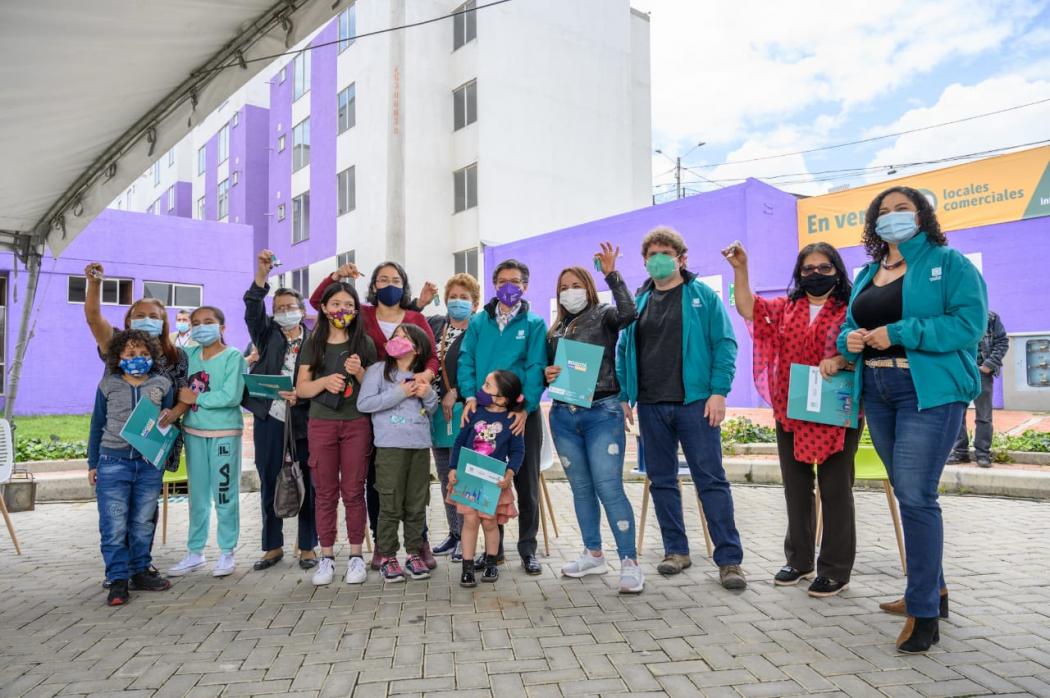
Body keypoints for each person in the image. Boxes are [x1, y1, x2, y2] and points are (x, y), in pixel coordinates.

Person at [838, 185, 986, 654]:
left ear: (923, 215)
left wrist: (899, 332)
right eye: (884, 212)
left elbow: (969, 325)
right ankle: (933, 591)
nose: (893, 217)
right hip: (878, 390)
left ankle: (923, 614)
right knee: (907, 492)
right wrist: (852, 342)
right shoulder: (867, 273)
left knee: (917, 495)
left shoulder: (950, 263)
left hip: (929, 391)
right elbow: (847, 327)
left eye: (903, 209)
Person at [725, 240, 859, 598]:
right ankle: (800, 560)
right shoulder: (786, 308)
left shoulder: (852, 308)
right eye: (808, 268)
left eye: (824, 268)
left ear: (837, 270)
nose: (815, 274)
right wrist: (740, 270)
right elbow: (748, 309)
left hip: (836, 411)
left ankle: (835, 569)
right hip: (792, 408)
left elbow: (865, 345)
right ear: (799, 273)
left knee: (835, 490)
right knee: (796, 488)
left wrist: (843, 361)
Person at [616, 226, 746, 589]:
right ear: (644, 261)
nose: (657, 260)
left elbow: (725, 344)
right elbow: (624, 350)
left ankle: (729, 559)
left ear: (681, 258)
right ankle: (676, 550)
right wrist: (626, 394)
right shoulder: (639, 301)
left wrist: (719, 392)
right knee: (661, 482)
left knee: (711, 480)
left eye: (664, 253)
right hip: (653, 406)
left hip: (696, 405)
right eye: (651, 255)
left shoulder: (701, 296)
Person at [309, 261, 440, 569]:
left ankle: (418, 542)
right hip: (370, 399)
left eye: (395, 279)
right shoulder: (363, 314)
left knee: (414, 488)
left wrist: (425, 379)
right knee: (379, 480)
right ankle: (383, 545)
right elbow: (321, 303)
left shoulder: (415, 317)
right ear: (373, 285)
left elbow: (432, 355)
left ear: (404, 284)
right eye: (382, 279)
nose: (389, 283)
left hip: (410, 406)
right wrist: (337, 277)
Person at [544, 243, 643, 594]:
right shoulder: (554, 329)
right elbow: (545, 371)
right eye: (563, 287)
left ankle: (629, 561)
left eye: (576, 285)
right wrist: (548, 374)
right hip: (564, 415)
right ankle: (593, 553)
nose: (569, 292)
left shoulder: (605, 315)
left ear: (588, 286)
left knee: (609, 487)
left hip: (602, 411)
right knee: (582, 489)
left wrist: (612, 274)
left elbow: (630, 313)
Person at [83, 262, 189, 585]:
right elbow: (92, 317)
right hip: (115, 449)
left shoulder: (176, 356)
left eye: (155, 316)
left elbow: (181, 396)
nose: (148, 320)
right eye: (140, 315)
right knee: (116, 514)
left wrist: (175, 413)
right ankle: (118, 572)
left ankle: (140, 567)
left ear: (164, 323)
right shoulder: (118, 344)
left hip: (153, 448)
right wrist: (95, 283)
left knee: (144, 512)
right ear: (128, 321)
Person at [457, 259, 548, 575]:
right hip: (484, 414)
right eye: (502, 281)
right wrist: (470, 395)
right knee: (486, 481)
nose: (509, 286)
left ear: (525, 285)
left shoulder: (534, 323)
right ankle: (493, 552)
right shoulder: (479, 322)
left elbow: (537, 367)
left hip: (520, 415)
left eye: (516, 281)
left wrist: (526, 407)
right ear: (494, 286)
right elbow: (466, 359)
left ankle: (528, 549)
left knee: (524, 482)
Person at [296, 281, 377, 586]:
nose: (341, 310)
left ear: (356, 311)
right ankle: (326, 557)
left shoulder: (364, 344)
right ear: (324, 308)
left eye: (348, 305)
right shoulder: (313, 342)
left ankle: (356, 556)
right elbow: (302, 387)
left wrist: (359, 373)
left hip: (357, 423)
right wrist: (324, 382)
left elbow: (375, 387)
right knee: (325, 492)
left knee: (354, 492)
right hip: (321, 423)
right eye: (336, 304)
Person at [88, 330, 175, 605]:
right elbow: (96, 425)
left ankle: (140, 571)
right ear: (118, 357)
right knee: (113, 523)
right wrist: (93, 463)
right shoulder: (108, 385)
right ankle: (117, 579)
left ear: (152, 356)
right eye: (130, 355)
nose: (137, 359)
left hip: (148, 465)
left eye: (143, 354)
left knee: (142, 523)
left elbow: (169, 421)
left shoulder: (162, 384)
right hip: (113, 463)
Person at [244, 249, 318, 572]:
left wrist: (300, 397)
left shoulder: (317, 341)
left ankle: (307, 546)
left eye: (291, 307)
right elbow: (251, 309)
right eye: (279, 308)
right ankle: (272, 546)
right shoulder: (266, 335)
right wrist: (262, 276)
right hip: (270, 419)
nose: (285, 312)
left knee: (308, 481)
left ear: (302, 311)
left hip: (304, 420)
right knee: (270, 480)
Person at [168, 306, 248, 578]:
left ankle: (227, 552)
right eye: (196, 323)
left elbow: (231, 395)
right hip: (194, 433)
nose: (202, 327)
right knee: (198, 496)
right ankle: (195, 551)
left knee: (224, 494)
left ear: (222, 327)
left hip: (224, 434)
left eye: (209, 322)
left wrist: (196, 399)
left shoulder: (233, 356)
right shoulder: (188, 355)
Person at [357, 324, 440, 582]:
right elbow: (365, 403)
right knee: (389, 503)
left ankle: (414, 553)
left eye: (404, 337)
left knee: (416, 503)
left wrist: (427, 394)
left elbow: (433, 408)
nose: (398, 340)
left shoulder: (421, 375)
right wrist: (399, 392)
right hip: (390, 447)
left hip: (418, 446)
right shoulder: (377, 371)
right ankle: (388, 556)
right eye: (395, 336)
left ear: (417, 347)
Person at [449, 370, 525, 587]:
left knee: (490, 522)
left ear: (502, 398)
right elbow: (459, 442)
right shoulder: (474, 412)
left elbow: (519, 452)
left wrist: (509, 474)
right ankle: (467, 567)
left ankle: (492, 562)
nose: (481, 389)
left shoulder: (512, 420)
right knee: (470, 521)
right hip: (468, 477)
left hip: (494, 481)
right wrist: (453, 468)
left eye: (487, 386)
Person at [427, 273, 482, 563]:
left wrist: (457, 392)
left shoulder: (479, 329)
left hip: (466, 412)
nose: (457, 301)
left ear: (474, 303)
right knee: (446, 475)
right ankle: (454, 533)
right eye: (453, 296)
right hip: (438, 414)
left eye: (464, 297)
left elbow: (482, 368)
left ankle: (468, 535)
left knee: (465, 476)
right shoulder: (438, 325)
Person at [949, 311, 1008, 468]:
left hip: (981, 372)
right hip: (959, 371)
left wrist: (988, 365)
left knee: (984, 416)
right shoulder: (953, 317)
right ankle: (960, 452)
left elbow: (1002, 341)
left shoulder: (990, 317)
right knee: (956, 413)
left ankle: (982, 454)